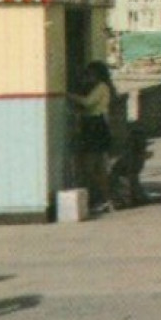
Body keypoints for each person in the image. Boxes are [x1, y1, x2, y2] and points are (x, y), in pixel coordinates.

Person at [68, 61, 117, 214]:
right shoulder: (105, 87)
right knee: (98, 167)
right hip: (97, 125)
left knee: (92, 167)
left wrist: (68, 95)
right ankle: (105, 199)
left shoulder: (101, 87)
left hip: (94, 126)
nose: (87, 77)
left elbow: (88, 103)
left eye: (90, 74)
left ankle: (101, 199)